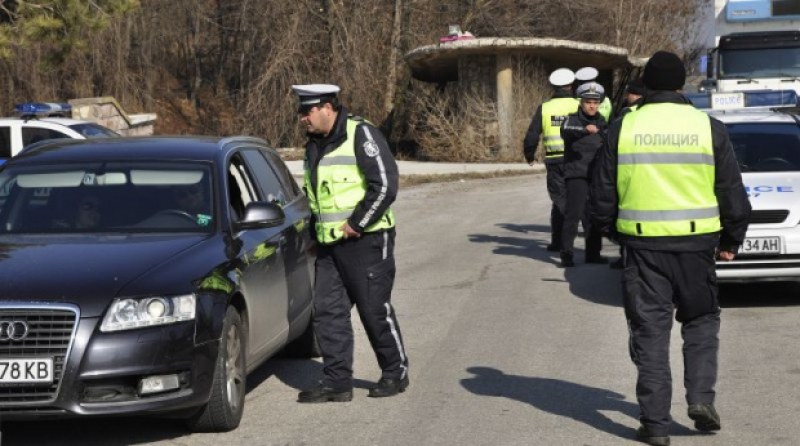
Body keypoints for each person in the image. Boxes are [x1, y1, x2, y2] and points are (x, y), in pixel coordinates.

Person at [590, 51, 751, 446]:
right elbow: (730, 188)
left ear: (647, 85)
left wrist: (614, 233)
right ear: (681, 84)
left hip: (643, 246)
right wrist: (731, 238)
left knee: (651, 332)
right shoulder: (707, 126)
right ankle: (700, 399)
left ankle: (656, 424)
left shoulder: (622, 128)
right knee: (700, 321)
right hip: (697, 246)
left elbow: (602, 194)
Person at [292, 84, 409, 403]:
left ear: (327, 107)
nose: (302, 118)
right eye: (301, 112)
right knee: (328, 311)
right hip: (330, 245)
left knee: (374, 309)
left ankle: (395, 371)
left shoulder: (361, 134)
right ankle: (337, 382)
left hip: (368, 239)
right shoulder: (314, 145)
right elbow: (318, 197)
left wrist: (356, 223)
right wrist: (316, 234)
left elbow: (385, 186)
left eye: (307, 111)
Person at [523, 68, 579, 252]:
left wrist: (529, 155)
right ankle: (582, 246)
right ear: (570, 86)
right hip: (577, 161)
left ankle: (559, 242)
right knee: (577, 199)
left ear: (554, 87)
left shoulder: (545, 108)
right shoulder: (579, 105)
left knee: (558, 201)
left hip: (555, 162)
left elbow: (532, 135)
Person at [558, 82, 608, 267]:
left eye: (595, 102)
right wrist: (584, 130)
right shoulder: (572, 120)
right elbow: (566, 132)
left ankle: (593, 253)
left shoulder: (603, 121)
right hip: (577, 174)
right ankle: (567, 254)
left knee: (594, 215)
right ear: (581, 103)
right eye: (588, 102)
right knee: (573, 215)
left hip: (596, 175)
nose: (592, 106)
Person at [609, 77, 648, 270]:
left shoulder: (627, 114)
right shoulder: (649, 112)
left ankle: (625, 257)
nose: (630, 96)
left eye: (632, 93)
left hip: (626, 173)